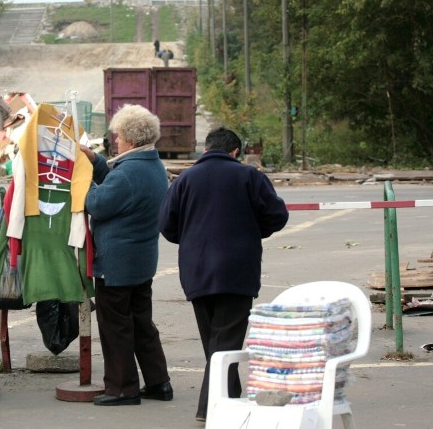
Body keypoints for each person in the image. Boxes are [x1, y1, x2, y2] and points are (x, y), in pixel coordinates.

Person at [158, 127, 290, 422]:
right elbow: (277, 216)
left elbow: (166, 224)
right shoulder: (249, 177)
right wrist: (256, 229)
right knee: (225, 344)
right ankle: (210, 410)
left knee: (216, 344)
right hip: (236, 270)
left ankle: (230, 401)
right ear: (235, 152)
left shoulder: (185, 179)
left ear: (206, 149)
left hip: (196, 270)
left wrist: (192, 238)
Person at [81, 104, 172, 407]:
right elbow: (118, 182)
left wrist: (81, 180)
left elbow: (97, 202)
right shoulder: (151, 164)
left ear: (130, 140)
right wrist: (96, 162)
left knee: (116, 327)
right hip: (141, 261)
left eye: (117, 137)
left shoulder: (129, 173)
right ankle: (159, 382)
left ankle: (122, 388)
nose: (114, 141)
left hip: (117, 264)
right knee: (142, 324)